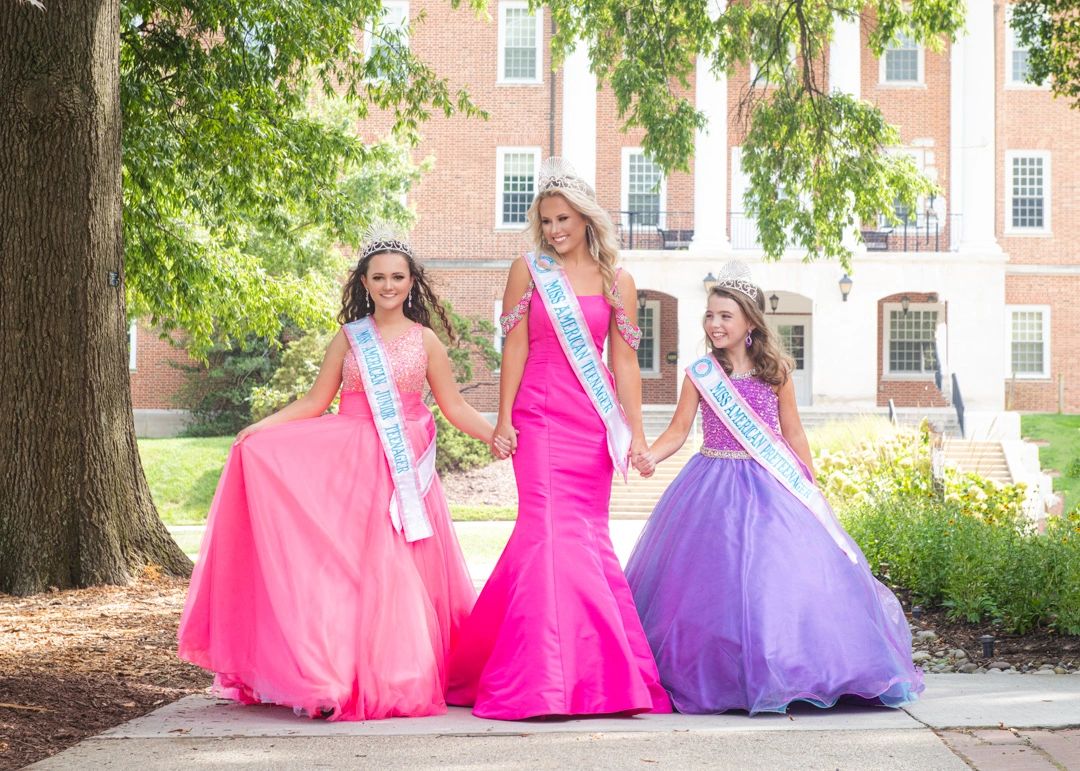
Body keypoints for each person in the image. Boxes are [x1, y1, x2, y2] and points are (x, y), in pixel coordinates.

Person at [178, 225, 490, 721]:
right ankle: (331, 677)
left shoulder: (426, 340)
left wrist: (494, 433)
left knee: (398, 573)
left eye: (398, 277)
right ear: (363, 283)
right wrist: (260, 427)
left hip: (401, 471)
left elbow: (452, 407)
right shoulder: (348, 338)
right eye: (379, 277)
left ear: (412, 282)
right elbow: (315, 401)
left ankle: (398, 677)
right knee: (343, 573)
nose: (389, 286)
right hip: (347, 468)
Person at [625, 260, 924, 715]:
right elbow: (678, 431)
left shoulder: (776, 371)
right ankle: (718, 676)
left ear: (750, 321)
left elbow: (794, 432)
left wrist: (808, 478)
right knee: (712, 586)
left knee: (775, 581)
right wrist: (652, 455)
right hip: (712, 487)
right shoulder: (700, 373)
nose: (714, 323)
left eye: (725, 315)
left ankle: (793, 671)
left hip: (772, 483)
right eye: (710, 315)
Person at [445, 158, 671, 720]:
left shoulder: (619, 280)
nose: (554, 231)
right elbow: (515, 347)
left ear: (587, 218)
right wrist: (503, 419)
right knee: (544, 531)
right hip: (540, 416)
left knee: (584, 537)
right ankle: (542, 679)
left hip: (590, 424)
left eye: (563, 219)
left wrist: (635, 436)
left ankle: (596, 677)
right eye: (546, 221)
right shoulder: (528, 269)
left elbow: (624, 362)